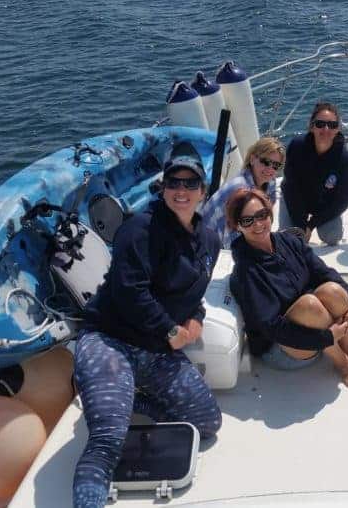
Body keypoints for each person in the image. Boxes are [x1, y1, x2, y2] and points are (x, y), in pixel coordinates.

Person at [73, 142, 222, 507]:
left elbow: (195, 294)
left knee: (207, 424)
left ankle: (134, 399)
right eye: (174, 182)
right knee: (107, 440)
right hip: (111, 341)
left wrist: (196, 318)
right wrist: (170, 330)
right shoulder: (139, 229)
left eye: (190, 183)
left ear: (203, 190)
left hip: (156, 350)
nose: (182, 190)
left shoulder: (209, 239)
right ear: (163, 187)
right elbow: (129, 291)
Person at [227, 188, 348, 392]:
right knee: (310, 304)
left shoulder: (289, 241)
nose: (258, 224)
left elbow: (326, 273)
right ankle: (344, 365)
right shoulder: (246, 272)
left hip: (317, 333)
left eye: (262, 215)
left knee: (333, 290)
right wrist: (325, 338)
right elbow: (272, 328)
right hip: (282, 348)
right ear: (237, 226)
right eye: (248, 220)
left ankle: (346, 347)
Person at [279, 102, 348, 246]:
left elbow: (344, 199)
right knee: (290, 239)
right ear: (312, 126)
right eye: (320, 124)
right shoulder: (297, 147)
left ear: (338, 129)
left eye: (332, 125)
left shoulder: (344, 159)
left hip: (325, 203)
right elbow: (291, 188)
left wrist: (312, 224)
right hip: (296, 199)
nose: (326, 129)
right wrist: (301, 226)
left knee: (332, 237)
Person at [201, 136, 285, 246]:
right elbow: (230, 240)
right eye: (265, 162)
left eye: (276, 165)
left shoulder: (270, 181)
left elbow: (268, 209)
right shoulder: (240, 191)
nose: (270, 169)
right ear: (252, 159)